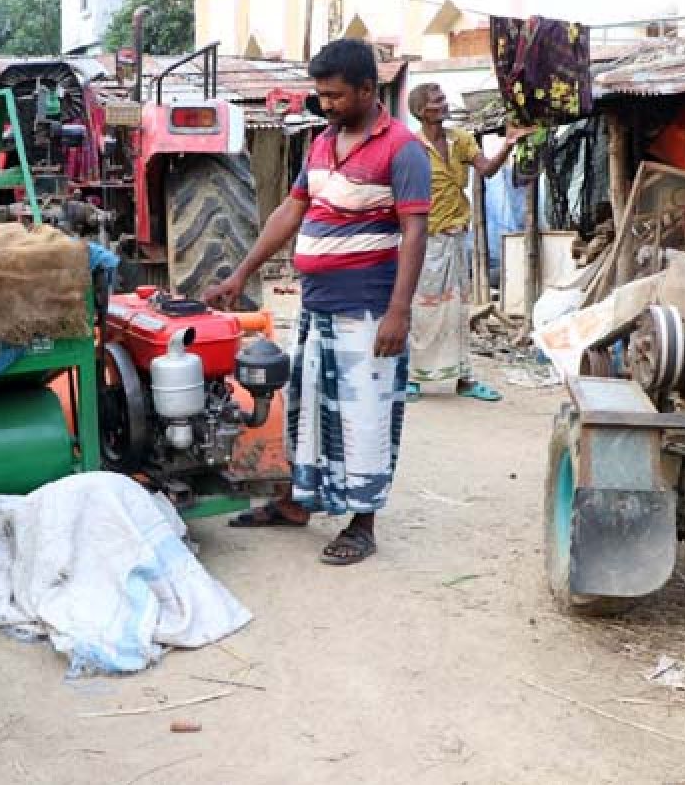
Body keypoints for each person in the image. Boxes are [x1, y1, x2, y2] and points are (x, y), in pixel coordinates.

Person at [202, 39, 430, 566]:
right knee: (307, 410)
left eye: (334, 95)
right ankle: (296, 503)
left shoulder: (402, 148)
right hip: (318, 305)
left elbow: (414, 233)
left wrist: (399, 311)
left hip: (369, 310)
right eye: (320, 94)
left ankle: (363, 523)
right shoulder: (323, 142)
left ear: (369, 90)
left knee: (363, 418)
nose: (325, 104)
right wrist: (241, 272)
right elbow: (293, 208)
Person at [406, 82, 525, 402]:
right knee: (422, 310)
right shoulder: (409, 147)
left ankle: (463, 378)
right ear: (420, 111)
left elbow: (486, 170)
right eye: (436, 100)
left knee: (458, 311)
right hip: (424, 240)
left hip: (456, 236)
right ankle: (413, 377)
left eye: (443, 98)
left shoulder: (460, 140)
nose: (444, 104)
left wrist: (508, 146)